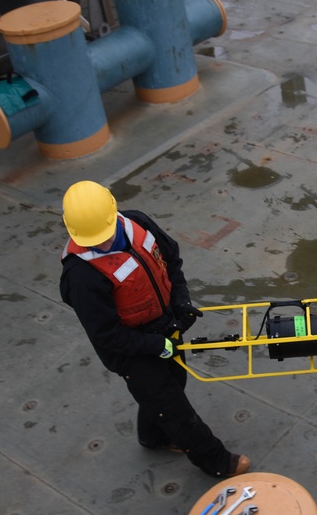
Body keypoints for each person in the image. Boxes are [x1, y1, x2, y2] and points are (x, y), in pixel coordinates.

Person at [58, 180, 249, 479]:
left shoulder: (138, 222)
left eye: (105, 236)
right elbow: (106, 334)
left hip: (164, 324)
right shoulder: (82, 275)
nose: (102, 244)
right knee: (174, 408)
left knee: (173, 382)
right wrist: (153, 346)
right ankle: (216, 461)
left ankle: (152, 436)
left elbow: (171, 260)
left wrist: (180, 300)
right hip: (130, 350)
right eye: (94, 240)